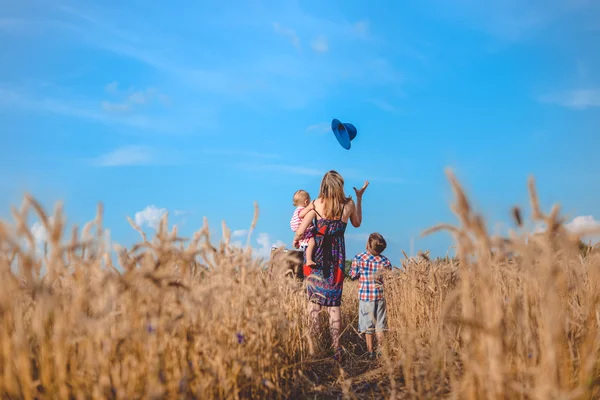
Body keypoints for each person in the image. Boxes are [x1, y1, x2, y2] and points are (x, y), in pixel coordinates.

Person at [293, 170, 369, 362]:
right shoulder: (348, 204)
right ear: (340, 186)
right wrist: (359, 198)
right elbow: (357, 223)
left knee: (314, 304)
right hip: (336, 258)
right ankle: (337, 349)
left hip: (316, 256)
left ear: (323, 186)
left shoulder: (317, 203)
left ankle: (315, 347)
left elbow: (301, 229)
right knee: (334, 306)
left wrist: (297, 238)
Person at [349, 232, 393, 360]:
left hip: (366, 297)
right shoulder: (385, 261)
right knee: (380, 325)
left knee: (368, 326)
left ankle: (370, 351)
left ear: (368, 244)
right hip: (380, 296)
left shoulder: (359, 258)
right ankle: (380, 350)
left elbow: (352, 275)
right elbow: (388, 279)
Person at [290, 190, 316, 266]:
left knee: (303, 238)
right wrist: (310, 208)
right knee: (311, 242)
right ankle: (309, 260)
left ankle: (295, 240)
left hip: (298, 229)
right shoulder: (302, 209)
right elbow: (301, 215)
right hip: (303, 228)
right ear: (306, 202)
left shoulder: (296, 209)